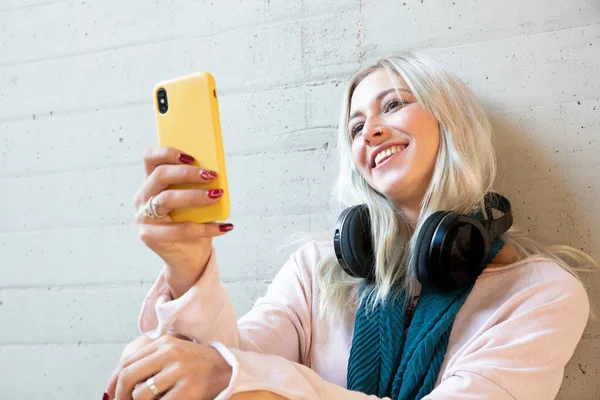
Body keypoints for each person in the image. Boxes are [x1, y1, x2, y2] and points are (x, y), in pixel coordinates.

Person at [104, 53, 597, 400]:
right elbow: (228, 359)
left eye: (393, 105)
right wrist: (187, 269)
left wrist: (240, 379)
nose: (372, 131)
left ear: (451, 122)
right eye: (356, 127)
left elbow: (231, 375)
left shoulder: (541, 295)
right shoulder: (314, 270)